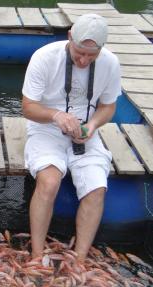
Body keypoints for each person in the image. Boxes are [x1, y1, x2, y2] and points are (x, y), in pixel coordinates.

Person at [21, 14, 121, 262]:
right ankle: (37, 255)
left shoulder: (110, 63)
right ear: (69, 38)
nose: (84, 60)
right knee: (49, 181)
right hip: (46, 127)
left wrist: (92, 126)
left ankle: (79, 259)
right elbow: (28, 107)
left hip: (85, 130)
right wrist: (56, 116)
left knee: (97, 187)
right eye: (80, 52)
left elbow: (108, 106)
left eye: (92, 55)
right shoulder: (44, 57)